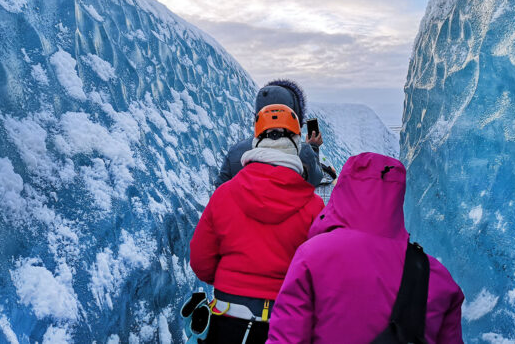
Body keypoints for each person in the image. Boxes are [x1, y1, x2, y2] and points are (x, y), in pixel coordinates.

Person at [266, 152, 465, 344]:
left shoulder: (311, 256)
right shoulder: (436, 276)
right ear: (398, 197)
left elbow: (287, 338)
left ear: (343, 188)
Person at [190, 104, 325, 344]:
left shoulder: (224, 195)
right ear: (296, 143)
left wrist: (232, 280)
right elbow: (319, 275)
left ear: (256, 142)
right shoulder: (314, 207)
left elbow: (201, 261)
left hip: (226, 320)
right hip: (285, 326)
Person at [214, 79, 323, 188]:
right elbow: (315, 180)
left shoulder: (235, 151)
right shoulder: (304, 152)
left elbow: (220, 187)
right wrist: (313, 147)